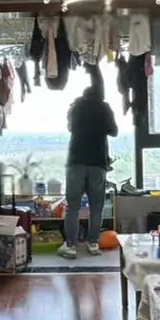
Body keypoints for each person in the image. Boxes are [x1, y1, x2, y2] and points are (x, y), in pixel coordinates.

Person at [59, 74, 118, 259]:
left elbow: (70, 127)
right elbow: (114, 131)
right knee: (96, 207)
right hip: (97, 162)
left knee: (73, 207)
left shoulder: (76, 106)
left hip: (76, 161)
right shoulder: (104, 107)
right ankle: (93, 244)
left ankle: (70, 246)